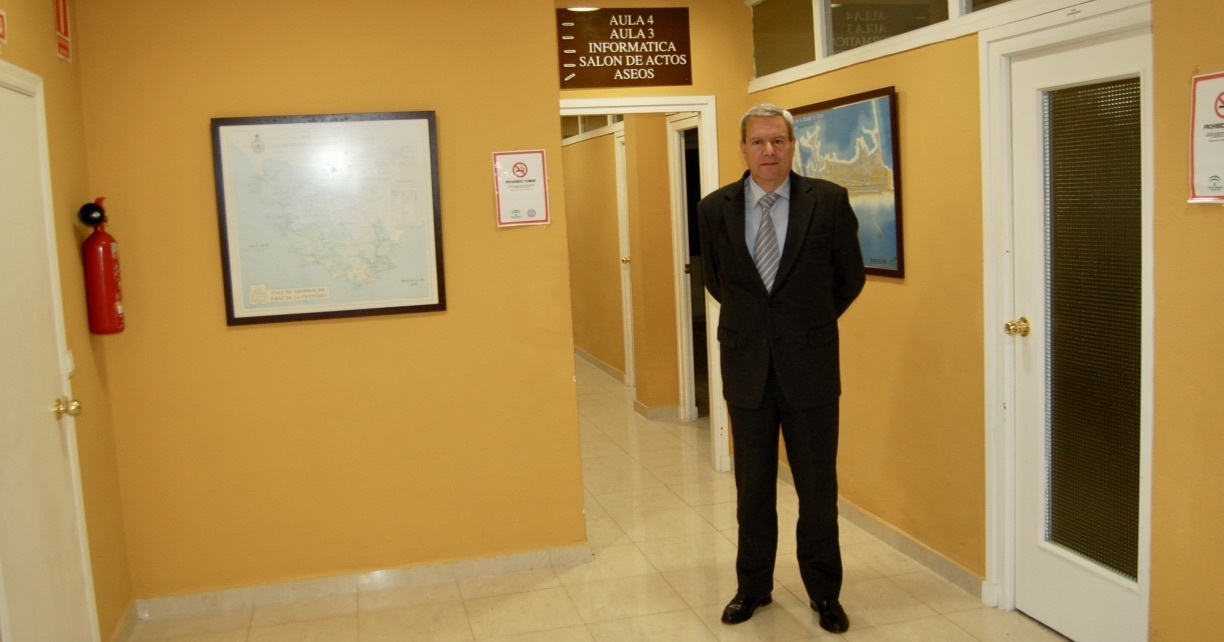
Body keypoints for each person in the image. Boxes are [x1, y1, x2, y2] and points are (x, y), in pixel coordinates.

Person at [697, 104, 865, 634]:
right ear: (743, 148)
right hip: (747, 368)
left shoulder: (828, 201)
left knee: (817, 491)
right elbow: (717, 280)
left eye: (777, 141)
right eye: (758, 142)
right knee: (752, 491)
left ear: (793, 145)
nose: (768, 151)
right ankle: (753, 587)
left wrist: (806, 324)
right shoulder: (714, 208)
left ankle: (824, 593)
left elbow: (850, 277)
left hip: (810, 369)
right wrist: (761, 326)